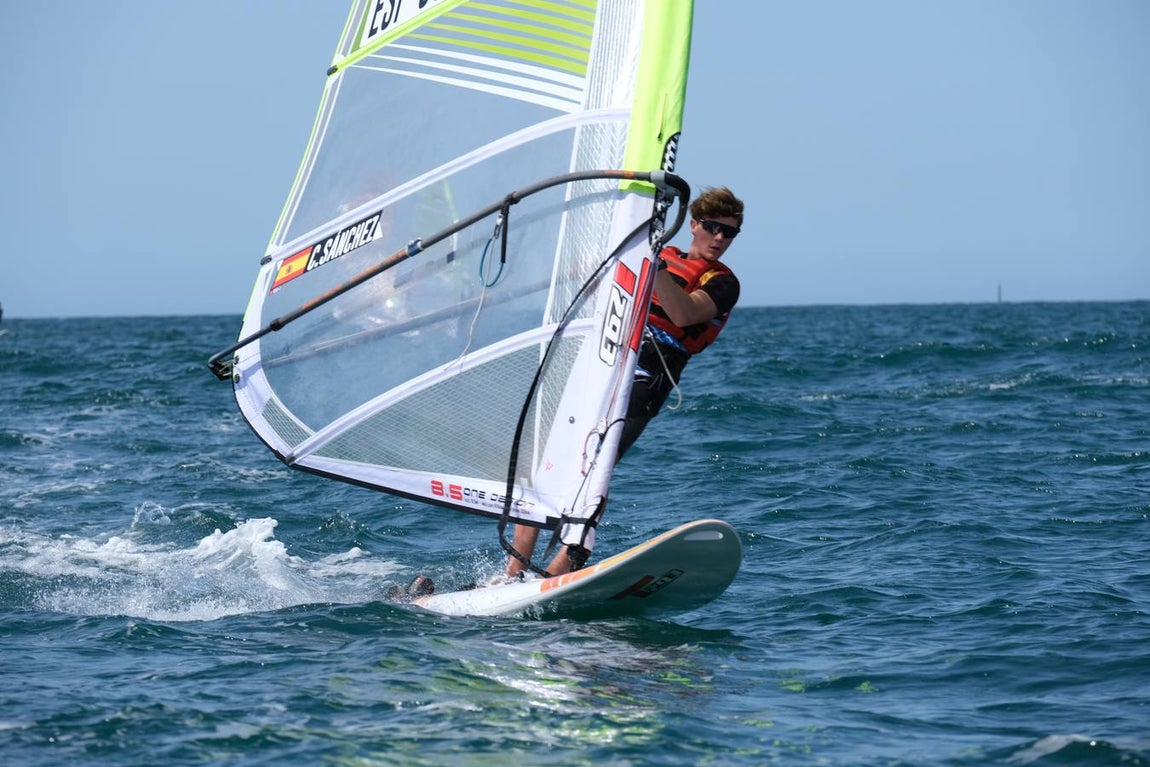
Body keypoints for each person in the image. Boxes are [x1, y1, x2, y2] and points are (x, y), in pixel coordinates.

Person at [506, 186, 745, 579]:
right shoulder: (658, 255)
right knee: (544, 459)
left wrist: (650, 265)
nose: (720, 239)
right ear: (695, 225)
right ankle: (512, 573)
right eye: (714, 228)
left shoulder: (723, 282)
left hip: (650, 374)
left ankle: (563, 567)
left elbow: (684, 314)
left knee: (595, 465)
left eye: (730, 233)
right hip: (604, 357)